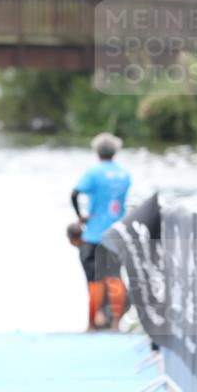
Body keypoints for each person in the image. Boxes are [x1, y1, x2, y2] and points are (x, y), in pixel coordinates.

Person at [71, 133, 130, 331]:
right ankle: (115, 323)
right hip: (116, 232)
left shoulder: (93, 172)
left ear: (97, 151)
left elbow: (75, 193)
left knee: (94, 280)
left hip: (94, 233)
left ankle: (92, 322)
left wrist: (80, 215)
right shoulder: (124, 174)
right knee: (114, 277)